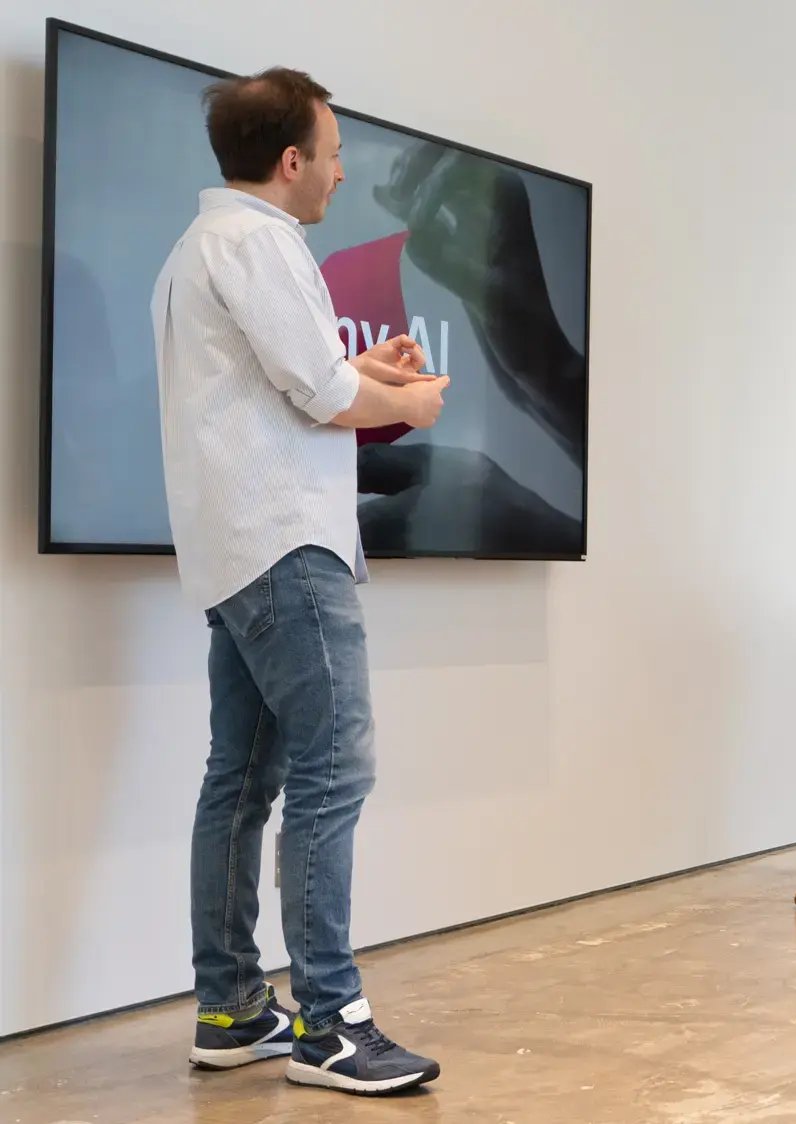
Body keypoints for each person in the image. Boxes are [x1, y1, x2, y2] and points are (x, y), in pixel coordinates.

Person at [154, 69, 445, 1094]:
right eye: (330, 150)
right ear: (291, 161)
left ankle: (232, 1007)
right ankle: (330, 1020)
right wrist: (411, 402)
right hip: (287, 548)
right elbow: (323, 394)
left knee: (239, 778)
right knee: (333, 772)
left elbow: (293, 379)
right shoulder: (263, 241)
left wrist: (380, 372)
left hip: (236, 547)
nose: (339, 168)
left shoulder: (203, 248)